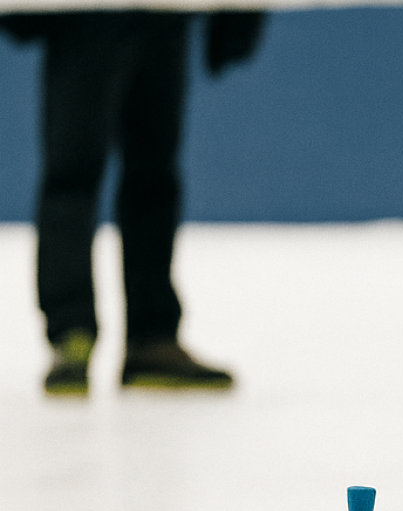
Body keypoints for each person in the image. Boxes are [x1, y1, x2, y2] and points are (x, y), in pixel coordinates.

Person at [0, 10, 265, 394]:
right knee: (73, 173)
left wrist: (239, 11)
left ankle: (151, 336)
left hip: (164, 14)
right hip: (86, 15)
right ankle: (71, 333)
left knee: (154, 176)